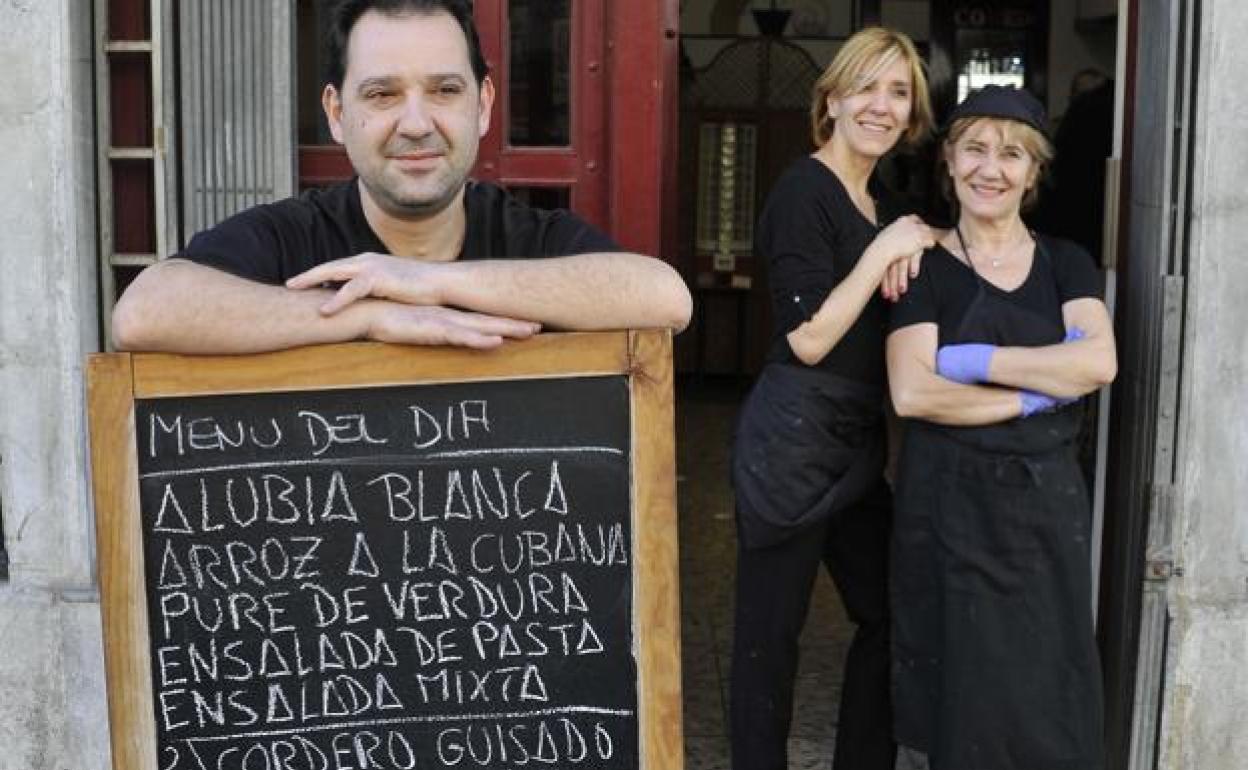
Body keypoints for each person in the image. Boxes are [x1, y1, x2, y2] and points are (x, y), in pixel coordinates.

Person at [111, 0, 691, 354]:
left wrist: (424, 281)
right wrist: (371, 315)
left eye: (444, 90)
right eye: (383, 94)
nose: (416, 124)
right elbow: (143, 314)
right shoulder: (292, 239)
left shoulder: (532, 239)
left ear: (483, 105)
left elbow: (663, 299)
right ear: (338, 114)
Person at [886, 85, 1117, 770]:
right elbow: (911, 389)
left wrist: (979, 361)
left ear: (1034, 171)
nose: (992, 169)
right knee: (968, 690)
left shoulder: (1065, 263)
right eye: (976, 150)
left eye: (1012, 154)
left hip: (1046, 512)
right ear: (949, 162)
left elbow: (1098, 361)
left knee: (1049, 679)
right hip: (950, 509)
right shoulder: (922, 266)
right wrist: (1029, 397)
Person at [729, 27, 936, 770]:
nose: (881, 106)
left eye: (898, 92)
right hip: (791, 441)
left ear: (912, 113)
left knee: (890, 612)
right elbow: (809, 338)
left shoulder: (881, 200)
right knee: (767, 639)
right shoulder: (803, 191)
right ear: (833, 97)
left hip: (855, 444)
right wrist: (881, 253)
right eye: (867, 87)